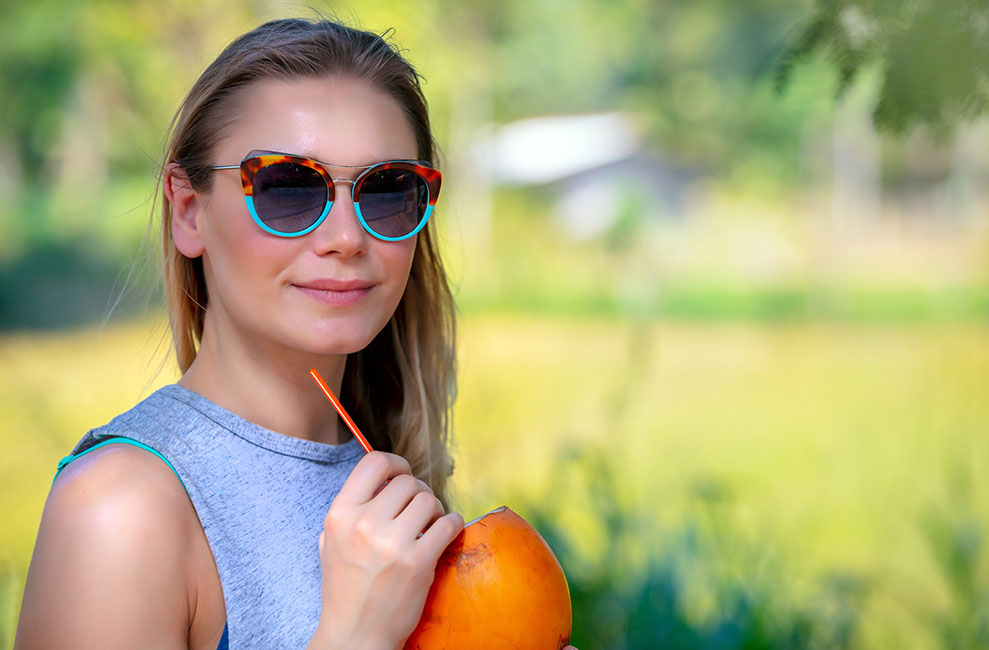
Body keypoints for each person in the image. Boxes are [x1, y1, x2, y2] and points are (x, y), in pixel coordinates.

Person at [14, 17, 578, 650]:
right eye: (288, 187)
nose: (345, 239)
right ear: (189, 211)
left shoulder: (388, 476)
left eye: (387, 191)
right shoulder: (118, 512)